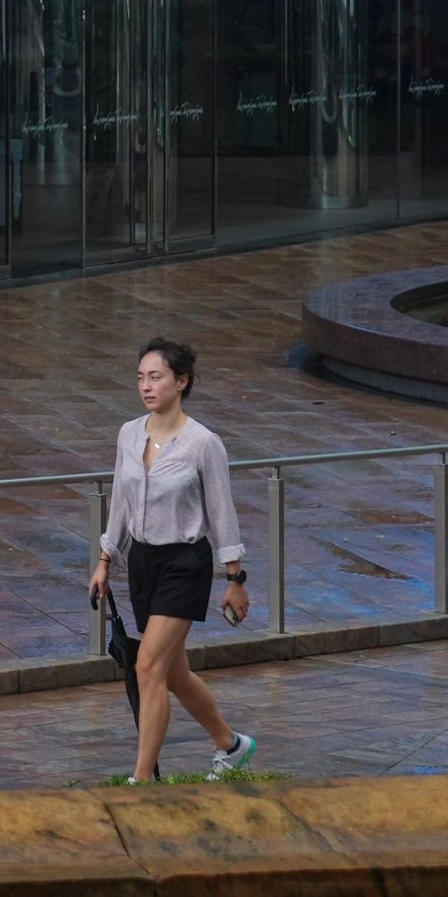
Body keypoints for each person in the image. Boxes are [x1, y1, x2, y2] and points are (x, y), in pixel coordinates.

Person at [86, 336, 255, 784]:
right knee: (174, 674)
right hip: (142, 564)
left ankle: (142, 781)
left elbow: (222, 513)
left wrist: (234, 577)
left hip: (185, 563)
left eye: (156, 377)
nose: (146, 386)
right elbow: (120, 503)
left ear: (182, 382)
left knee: (147, 666)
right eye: (141, 377)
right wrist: (106, 560)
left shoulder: (203, 444)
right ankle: (232, 745)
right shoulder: (128, 433)